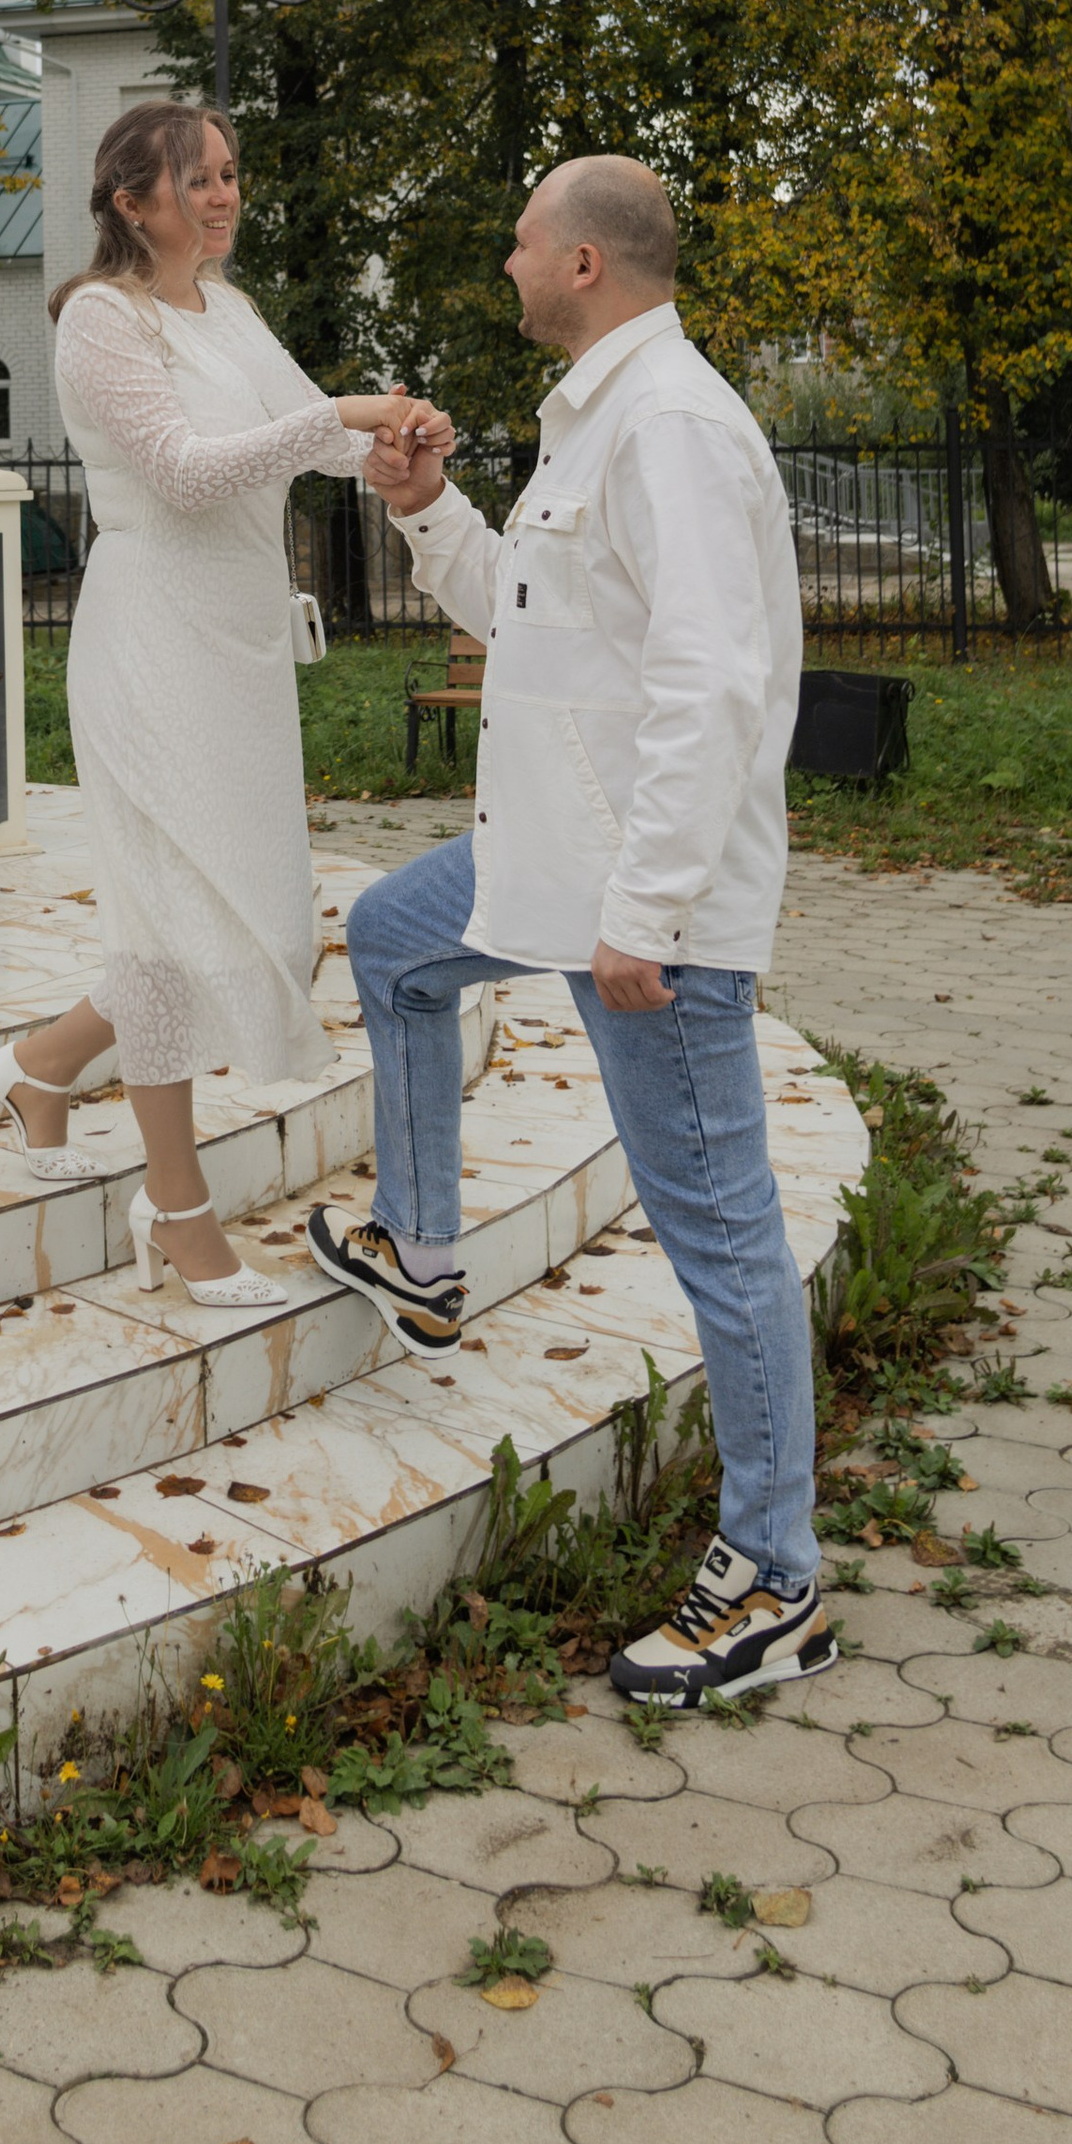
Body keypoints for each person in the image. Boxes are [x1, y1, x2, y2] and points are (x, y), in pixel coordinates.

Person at [306, 155, 830, 1709]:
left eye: (524, 239)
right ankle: (423, 1247)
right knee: (394, 943)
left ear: (585, 262)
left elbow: (713, 684)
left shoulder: (669, 427)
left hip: (645, 909)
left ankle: (776, 1576)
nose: (509, 260)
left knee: (720, 1231)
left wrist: (648, 914)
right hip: (548, 862)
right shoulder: (594, 420)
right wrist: (428, 509)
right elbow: (530, 622)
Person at [0, 99, 438, 1307]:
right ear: (133, 203)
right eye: (198, 180)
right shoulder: (98, 321)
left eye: (229, 174)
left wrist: (388, 444)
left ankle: (41, 1068)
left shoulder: (227, 310)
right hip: (151, 641)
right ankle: (175, 1209)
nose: (224, 197)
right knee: (167, 920)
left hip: (238, 646)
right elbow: (181, 473)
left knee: (234, 913)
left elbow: (312, 441)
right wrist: (336, 416)